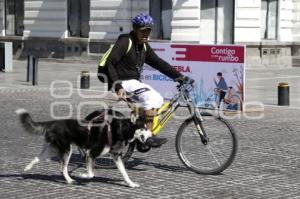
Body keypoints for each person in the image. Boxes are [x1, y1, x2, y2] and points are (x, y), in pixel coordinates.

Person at [102, 13, 192, 148]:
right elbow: (110, 63)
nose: (146, 33)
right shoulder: (125, 41)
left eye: (148, 30)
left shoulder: (143, 46)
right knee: (151, 98)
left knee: (158, 99)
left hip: (133, 82)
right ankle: (146, 136)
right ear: (135, 29)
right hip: (123, 82)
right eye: (143, 30)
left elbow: (158, 63)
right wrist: (118, 86)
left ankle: (139, 131)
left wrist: (179, 77)